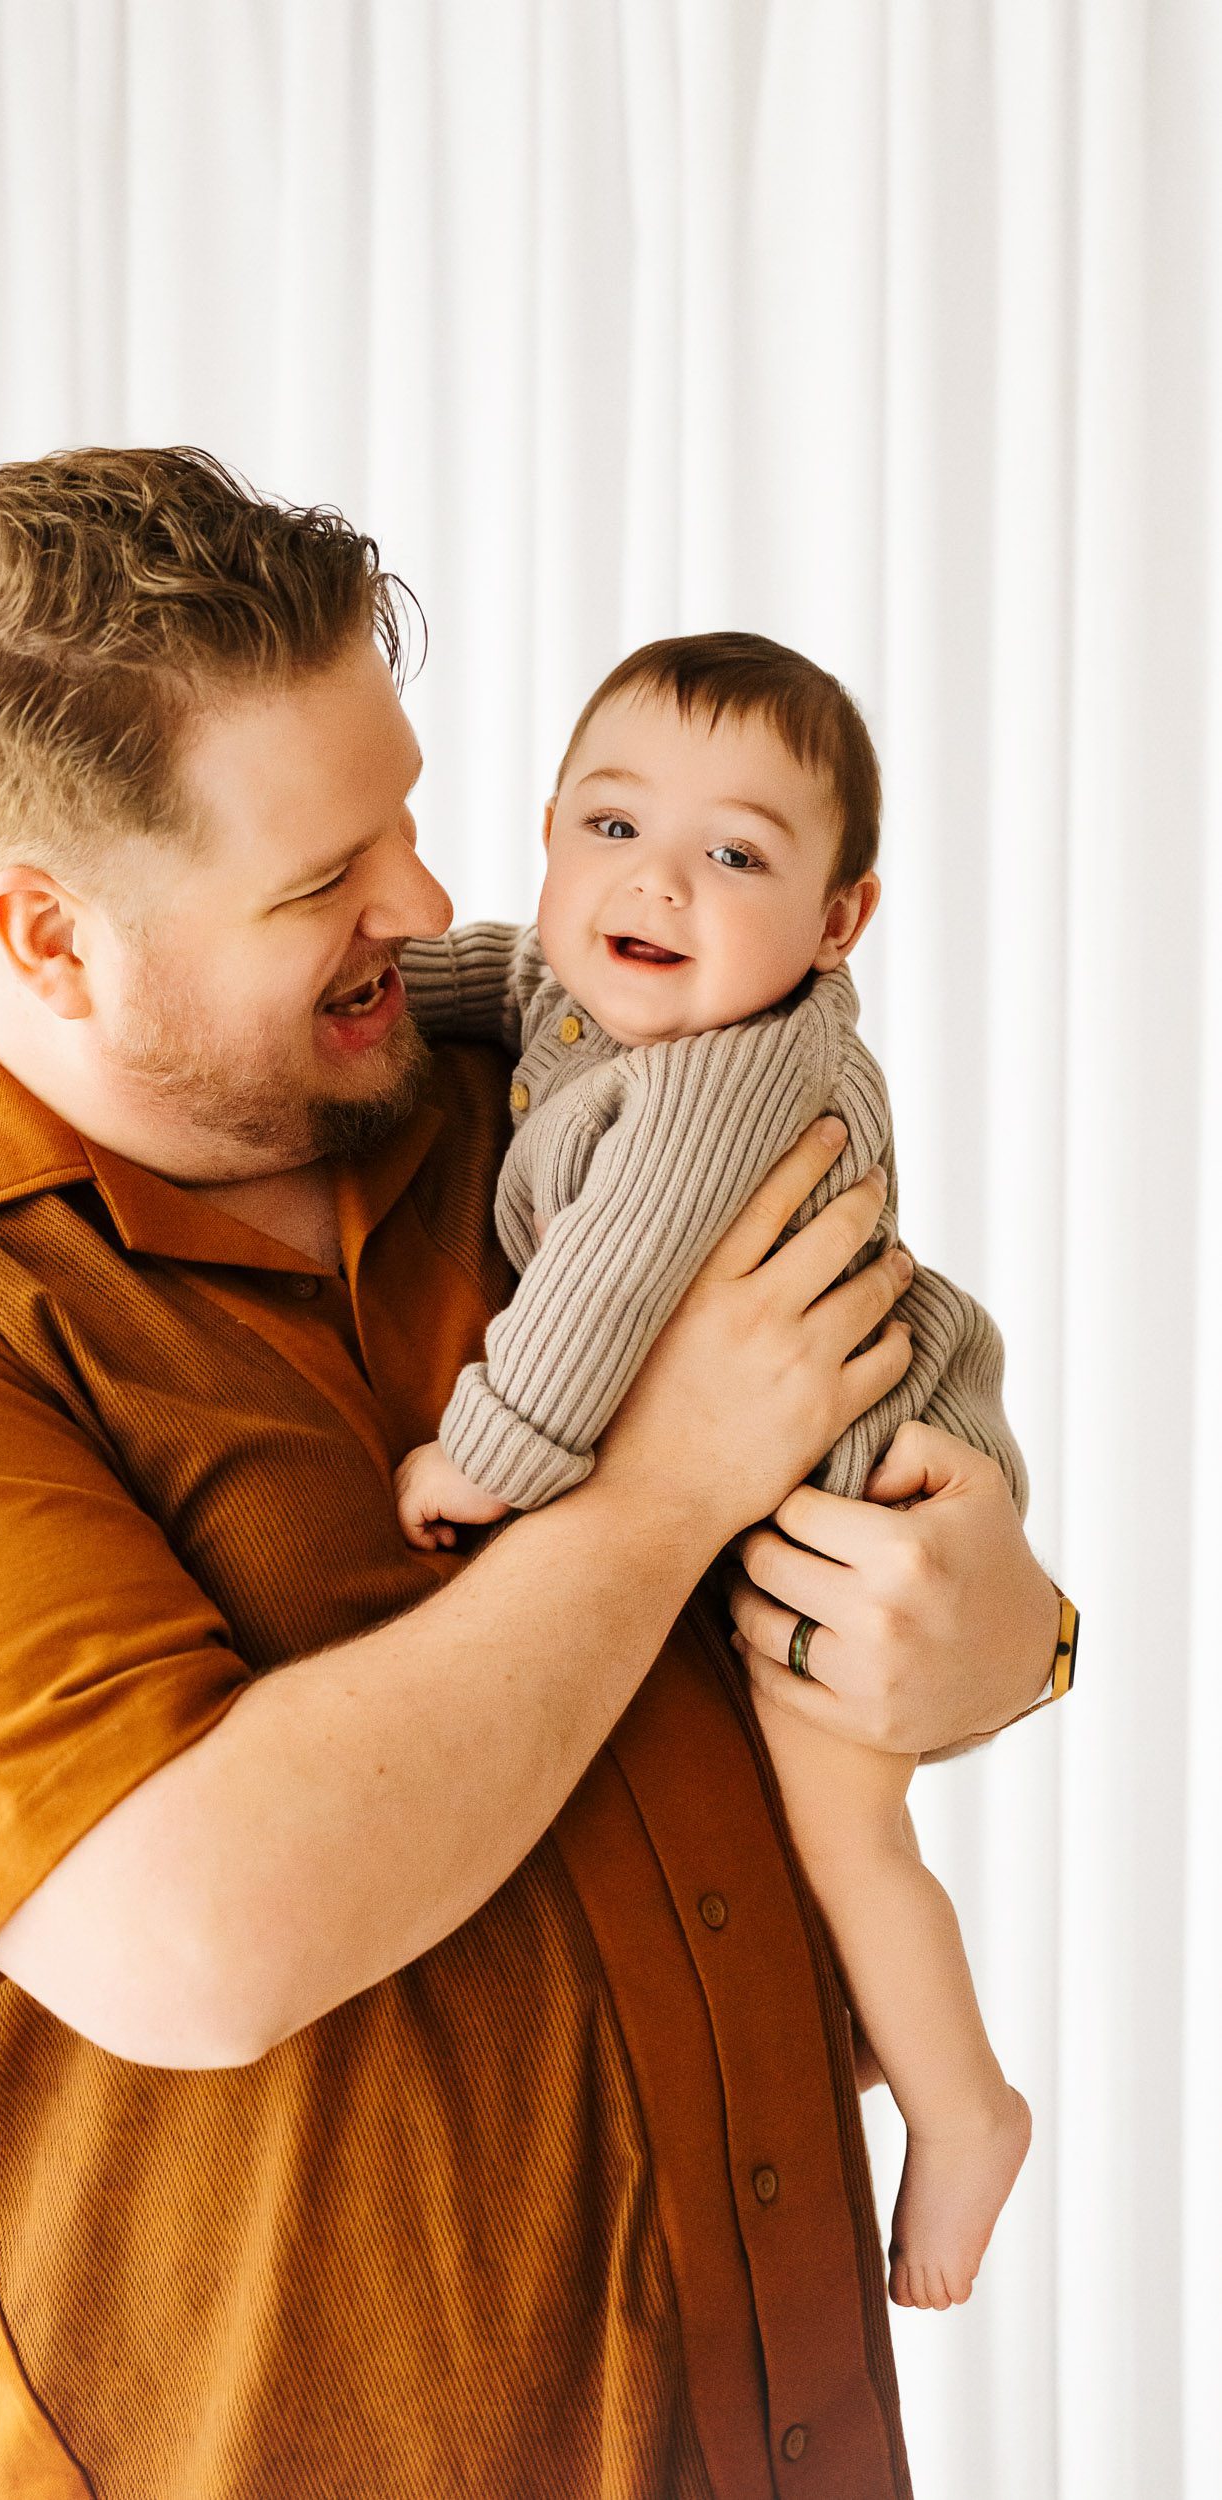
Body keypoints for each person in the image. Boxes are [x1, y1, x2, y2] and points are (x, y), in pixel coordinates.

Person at [0, 448, 1071, 2500]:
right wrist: (662, 1492)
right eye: (325, 874)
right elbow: (199, 1933)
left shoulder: (522, 1087)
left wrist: (1010, 1634)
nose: (420, 903)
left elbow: (897, 1429)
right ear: (48, 934)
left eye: (406, 815)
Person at [394, 631, 1058, 2312]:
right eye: (609, 827)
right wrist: (372, 987)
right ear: (549, 832)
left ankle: (967, 2109)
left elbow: (607, 1285)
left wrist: (486, 1457)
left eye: (737, 856)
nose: (659, 882)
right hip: (813, 1449)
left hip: (867, 1479)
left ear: (840, 922)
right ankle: (870, 2035)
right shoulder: (595, 982)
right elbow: (490, 977)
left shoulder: (728, 1073)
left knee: (846, 1827)